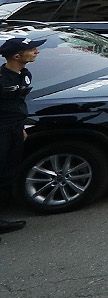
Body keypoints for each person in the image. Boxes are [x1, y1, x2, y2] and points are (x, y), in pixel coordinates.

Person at [0, 35, 47, 235]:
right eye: (32, 50)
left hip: (15, 129)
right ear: (17, 56)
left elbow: (17, 103)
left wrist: (21, 128)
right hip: (2, 130)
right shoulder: (2, 79)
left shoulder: (25, 74)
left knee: (8, 173)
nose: (37, 52)